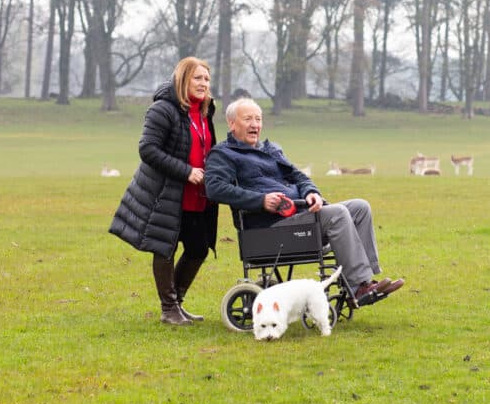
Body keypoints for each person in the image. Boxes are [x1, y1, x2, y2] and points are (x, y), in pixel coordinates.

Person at [204, 98, 403, 307]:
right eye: (248, 119)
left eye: (258, 119)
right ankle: (359, 287)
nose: (255, 124)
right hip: (267, 229)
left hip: (298, 216)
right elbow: (214, 188)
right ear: (232, 123)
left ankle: (366, 280)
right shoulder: (223, 154)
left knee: (360, 207)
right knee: (337, 213)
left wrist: (311, 192)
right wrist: (261, 200)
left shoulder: (271, 149)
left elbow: (299, 176)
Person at [109, 57, 218, 326]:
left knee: (198, 248)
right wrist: (186, 171)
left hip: (197, 194)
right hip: (167, 193)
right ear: (182, 79)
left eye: (206, 79)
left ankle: (177, 303)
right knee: (165, 248)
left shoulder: (205, 111)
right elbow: (148, 149)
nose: (203, 83)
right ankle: (169, 308)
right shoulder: (163, 109)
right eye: (197, 78)